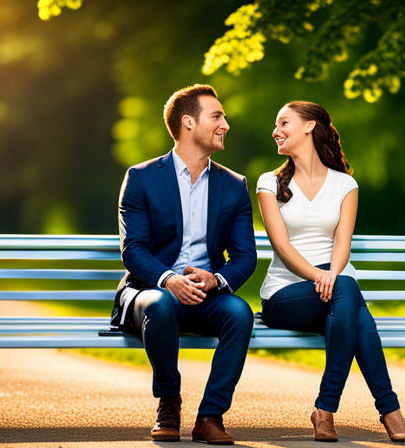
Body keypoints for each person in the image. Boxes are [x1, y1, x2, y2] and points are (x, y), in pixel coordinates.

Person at [256, 101, 405, 443]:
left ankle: (325, 412)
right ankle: (388, 409)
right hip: (286, 295)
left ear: (310, 127)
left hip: (334, 290)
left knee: (347, 299)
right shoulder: (269, 183)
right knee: (351, 297)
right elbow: (282, 246)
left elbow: (343, 241)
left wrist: (332, 274)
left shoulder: (345, 184)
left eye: (284, 123)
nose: (276, 132)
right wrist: (320, 275)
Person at [111, 84, 257, 445]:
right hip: (149, 292)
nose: (226, 124)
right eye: (217, 116)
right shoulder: (142, 177)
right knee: (161, 305)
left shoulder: (234, 185)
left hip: (207, 295)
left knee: (240, 313)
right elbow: (133, 250)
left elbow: (244, 256)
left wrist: (217, 280)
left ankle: (210, 416)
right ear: (189, 122)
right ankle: (169, 403)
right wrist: (168, 279)